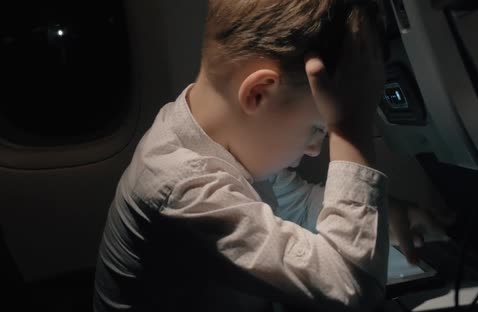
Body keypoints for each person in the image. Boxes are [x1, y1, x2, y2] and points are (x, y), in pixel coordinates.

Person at [93, 0, 419, 311]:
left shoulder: (216, 137)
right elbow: (351, 287)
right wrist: (351, 126)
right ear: (258, 94)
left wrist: (383, 211)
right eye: (319, 128)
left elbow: (299, 205)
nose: (315, 148)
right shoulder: (182, 189)